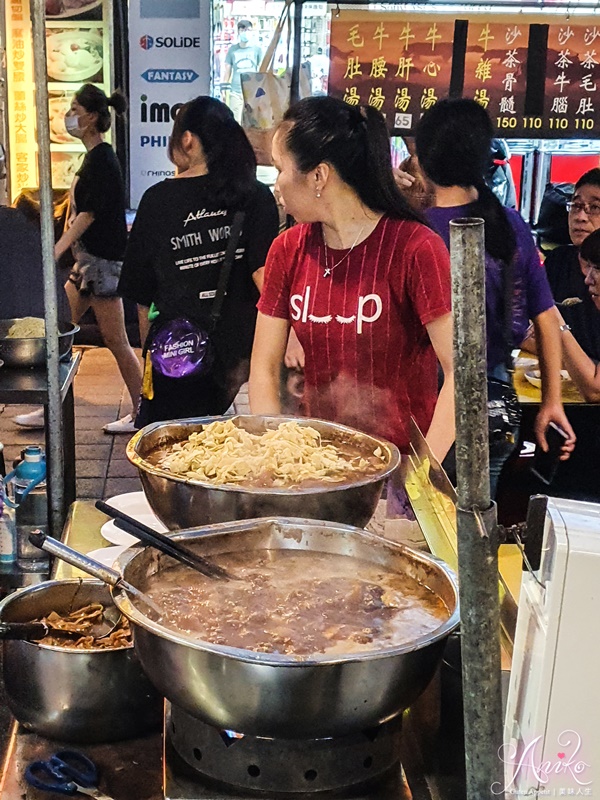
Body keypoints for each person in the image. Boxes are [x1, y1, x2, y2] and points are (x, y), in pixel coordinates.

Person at [249, 96, 455, 462]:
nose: (276, 185)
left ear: (318, 176)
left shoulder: (416, 249)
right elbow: (263, 369)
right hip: (313, 467)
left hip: (400, 469)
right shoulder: (287, 249)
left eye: (280, 168)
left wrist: (423, 474)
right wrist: (275, 456)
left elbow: (461, 373)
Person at [414, 98, 575, 494]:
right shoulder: (509, 223)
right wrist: (552, 401)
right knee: (472, 530)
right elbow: (547, 317)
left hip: (427, 410)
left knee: (417, 534)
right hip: (496, 410)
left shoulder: (411, 229)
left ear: (422, 157)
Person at [118, 96, 279, 425]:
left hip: (176, 352)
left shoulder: (157, 200)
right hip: (236, 354)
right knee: (215, 439)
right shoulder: (256, 196)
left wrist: (152, 357)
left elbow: (141, 294)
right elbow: (266, 280)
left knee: (172, 446)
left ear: (187, 139)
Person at [14, 84, 142, 434]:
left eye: (74, 108)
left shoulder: (103, 159)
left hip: (100, 266)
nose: (69, 115)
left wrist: (56, 249)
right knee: (54, 333)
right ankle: (48, 405)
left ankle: (142, 410)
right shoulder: (97, 158)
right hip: (88, 266)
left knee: (115, 340)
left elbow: (89, 214)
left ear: (92, 118)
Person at [537, 169, 600, 363]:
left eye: (595, 207)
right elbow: (530, 332)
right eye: (576, 205)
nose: (580, 216)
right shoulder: (557, 261)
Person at [221, 20, 262, 123]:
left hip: (253, 91)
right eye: (243, 29)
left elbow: (262, 70)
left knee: (253, 122)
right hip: (236, 92)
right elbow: (227, 70)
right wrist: (224, 89)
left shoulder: (257, 50)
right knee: (236, 121)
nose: (245, 32)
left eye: (248, 29)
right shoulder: (233, 50)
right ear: (238, 31)